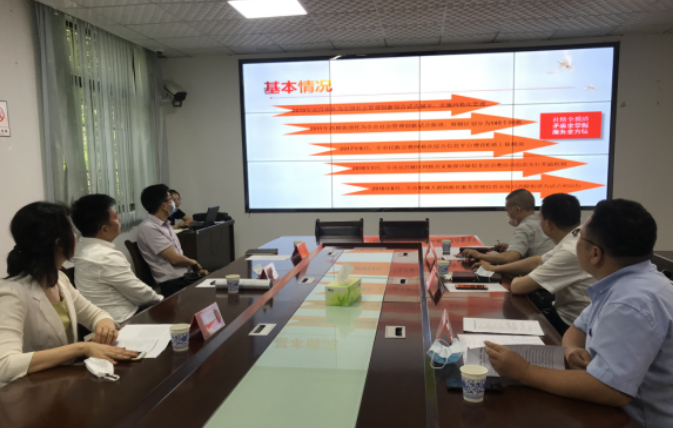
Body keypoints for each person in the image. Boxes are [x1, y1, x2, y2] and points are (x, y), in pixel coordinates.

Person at [485, 199, 673, 428]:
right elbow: (577, 329)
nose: (574, 241)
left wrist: (525, 371)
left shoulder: (631, 302)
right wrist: (572, 349)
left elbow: (610, 389)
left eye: (579, 235)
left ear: (595, 253)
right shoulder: (624, 282)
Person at [0, 202, 138, 388]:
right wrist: (81, 348)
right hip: (29, 392)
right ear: (59, 244)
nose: (76, 237)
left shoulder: (59, 279)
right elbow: (5, 364)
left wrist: (105, 326)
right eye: (72, 232)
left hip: (62, 383)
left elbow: (94, 314)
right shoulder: (11, 294)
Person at [475, 193, 593, 334]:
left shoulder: (569, 251)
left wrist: (501, 270)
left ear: (548, 224)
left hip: (572, 324)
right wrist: (495, 268)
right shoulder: (576, 238)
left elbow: (518, 286)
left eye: (540, 218)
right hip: (572, 316)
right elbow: (537, 260)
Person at [71, 194, 164, 323]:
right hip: (125, 319)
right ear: (104, 229)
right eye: (115, 217)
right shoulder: (105, 256)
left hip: (103, 318)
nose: (119, 219)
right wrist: (162, 300)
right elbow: (139, 293)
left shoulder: (81, 247)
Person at [137, 184, 208, 297]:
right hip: (174, 283)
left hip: (185, 277)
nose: (174, 202)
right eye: (171, 199)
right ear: (164, 206)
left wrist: (195, 270)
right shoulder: (148, 228)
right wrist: (194, 263)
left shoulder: (166, 224)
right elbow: (174, 259)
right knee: (214, 294)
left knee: (221, 285)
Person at [461, 189, 555, 265]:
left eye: (507, 210)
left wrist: (478, 255)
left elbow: (508, 258)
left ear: (517, 209)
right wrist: (511, 248)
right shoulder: (541, 221)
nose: (507, 214)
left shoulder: (525, 227)